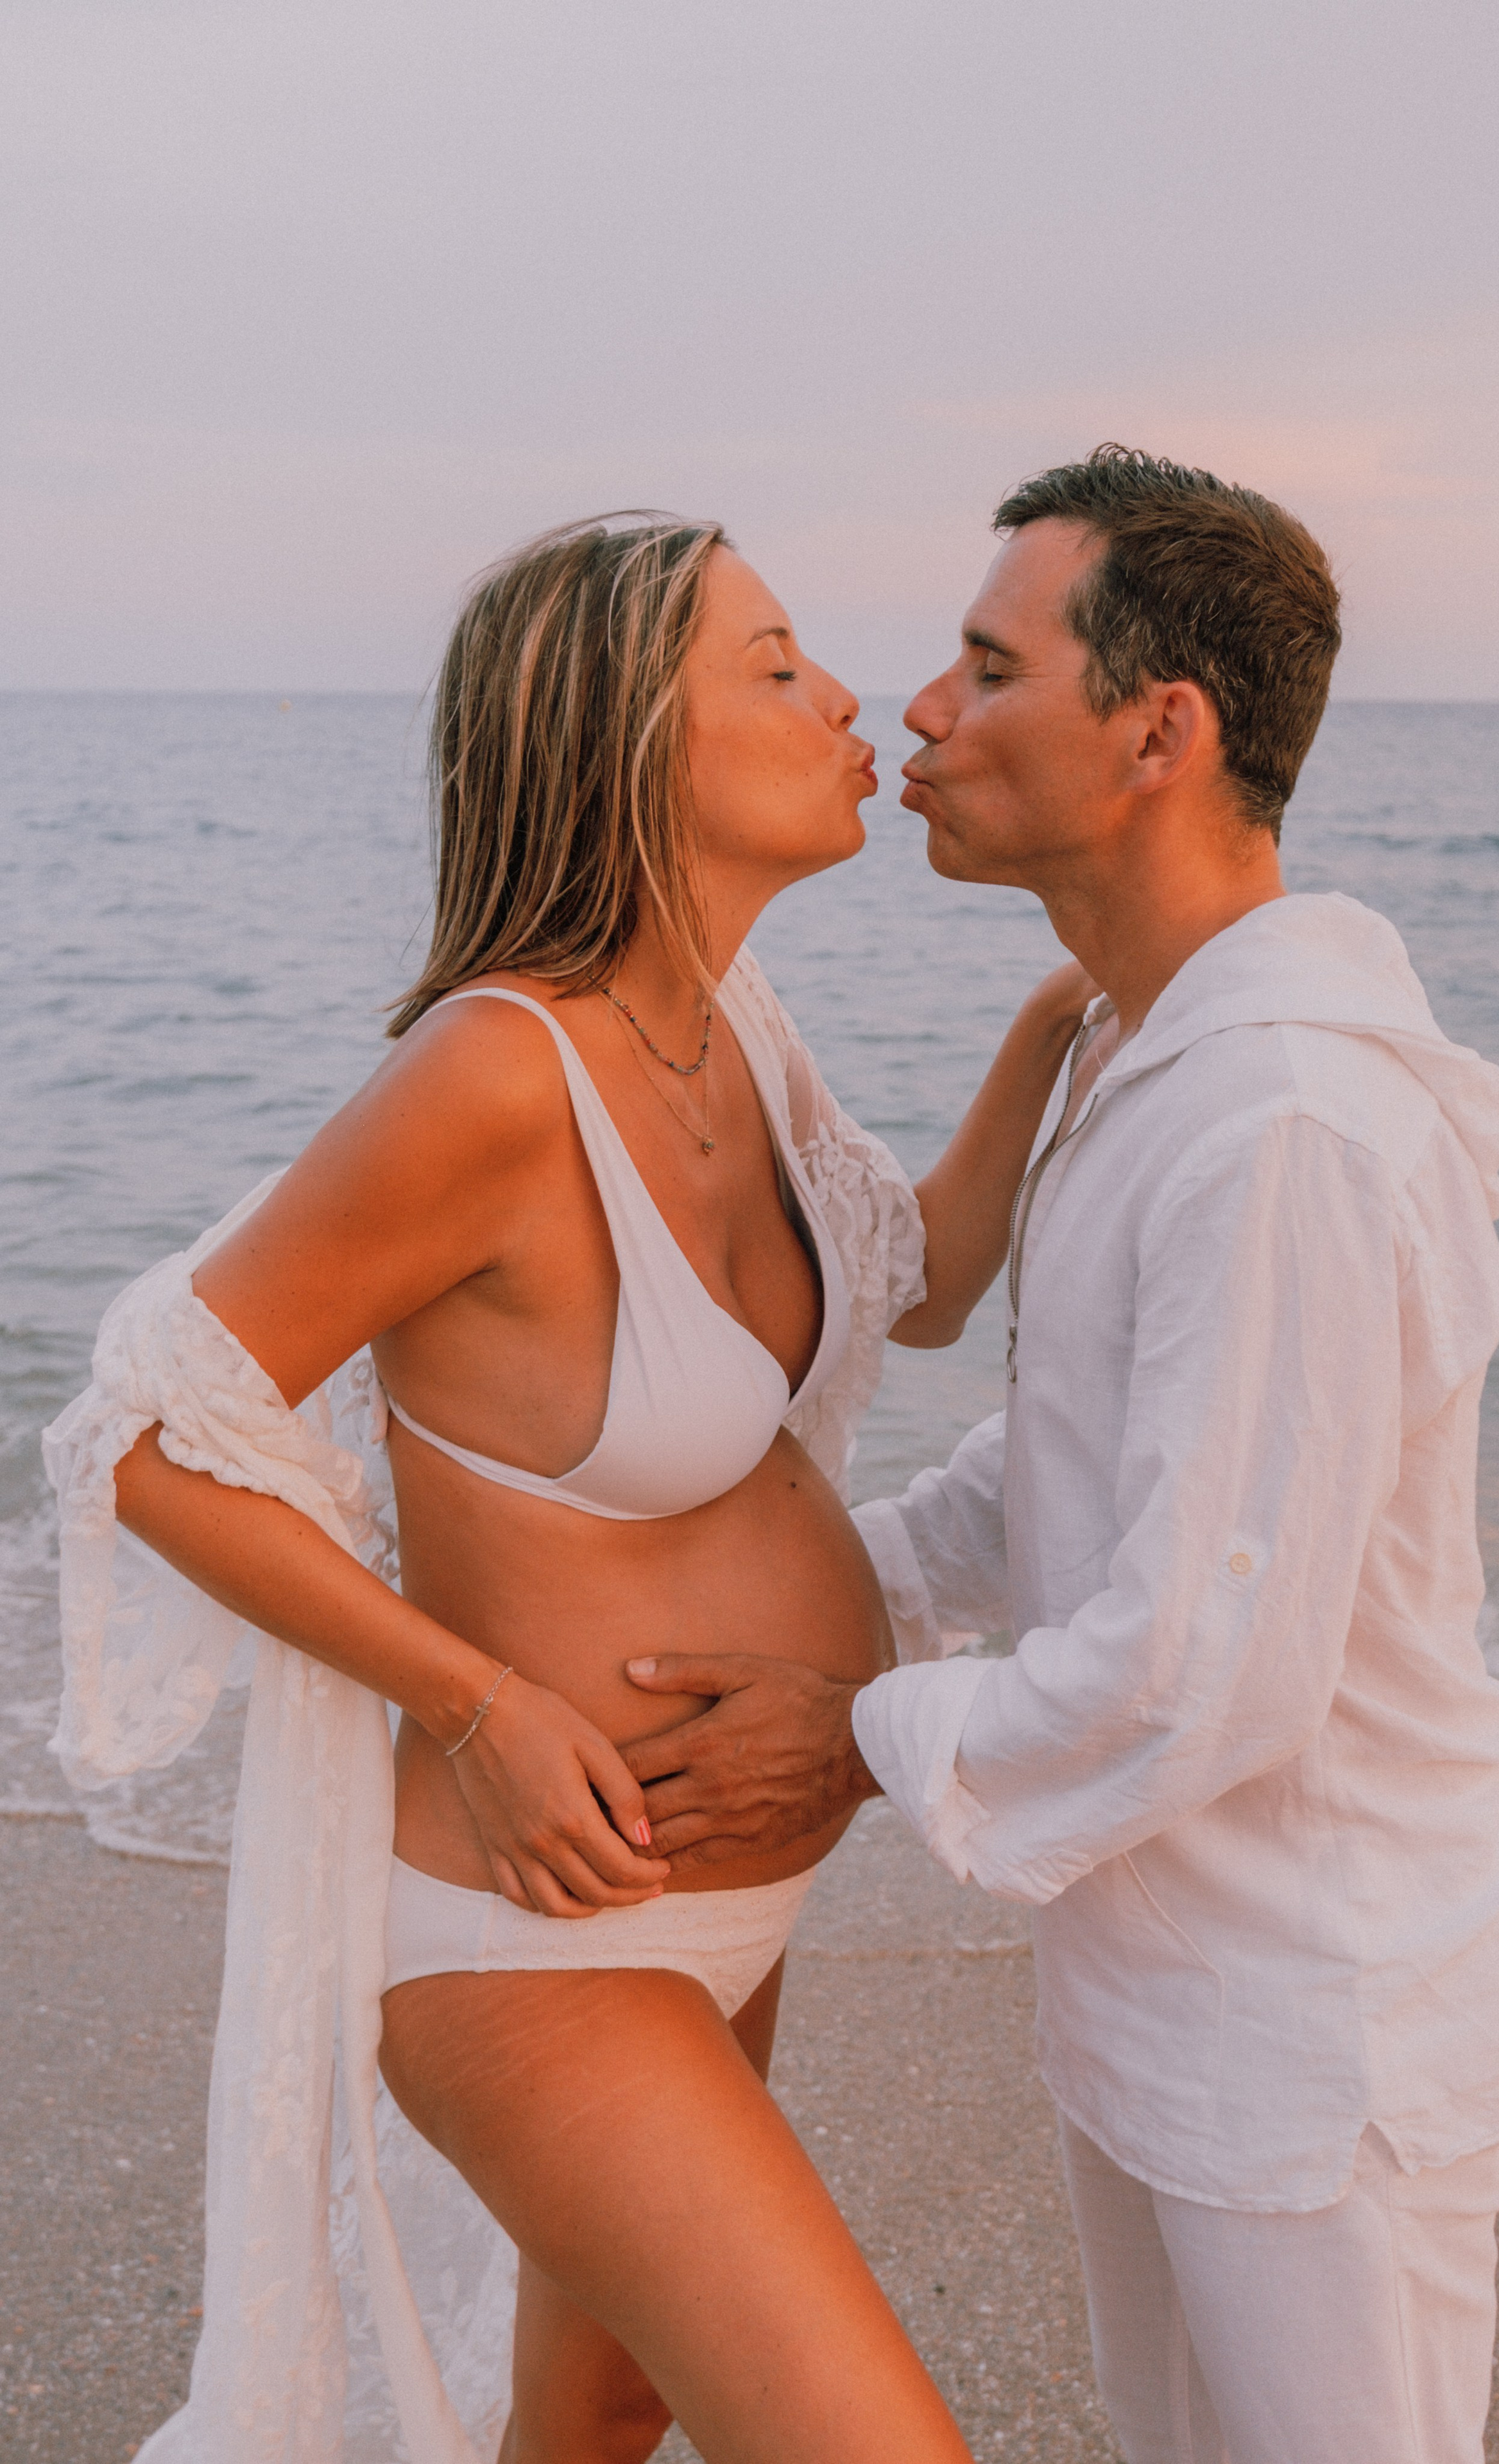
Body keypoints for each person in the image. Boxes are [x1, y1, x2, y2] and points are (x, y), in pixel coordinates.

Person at [44, 514, 1095, 2464]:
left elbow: (924, 1282)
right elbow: (143, 1439)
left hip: (729, 1894)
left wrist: (1069, 1011)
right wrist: (477, 1707)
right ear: (629, 743)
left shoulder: (735, 1028)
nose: (848, 701)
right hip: (539, 1933)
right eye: (774, 667)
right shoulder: (497, 1076)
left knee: (598, 2423)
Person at [620, 448, 1499, 2463]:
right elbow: (1061, 1468)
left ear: (1159, 732)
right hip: (1172, 1974)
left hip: (1326, 2002)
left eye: (990, 668)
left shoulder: (1284, 1125)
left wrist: (847, 1734)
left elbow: (1201, 1665)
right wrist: (800, 1596)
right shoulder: (1146, 1042)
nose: (922, 714)